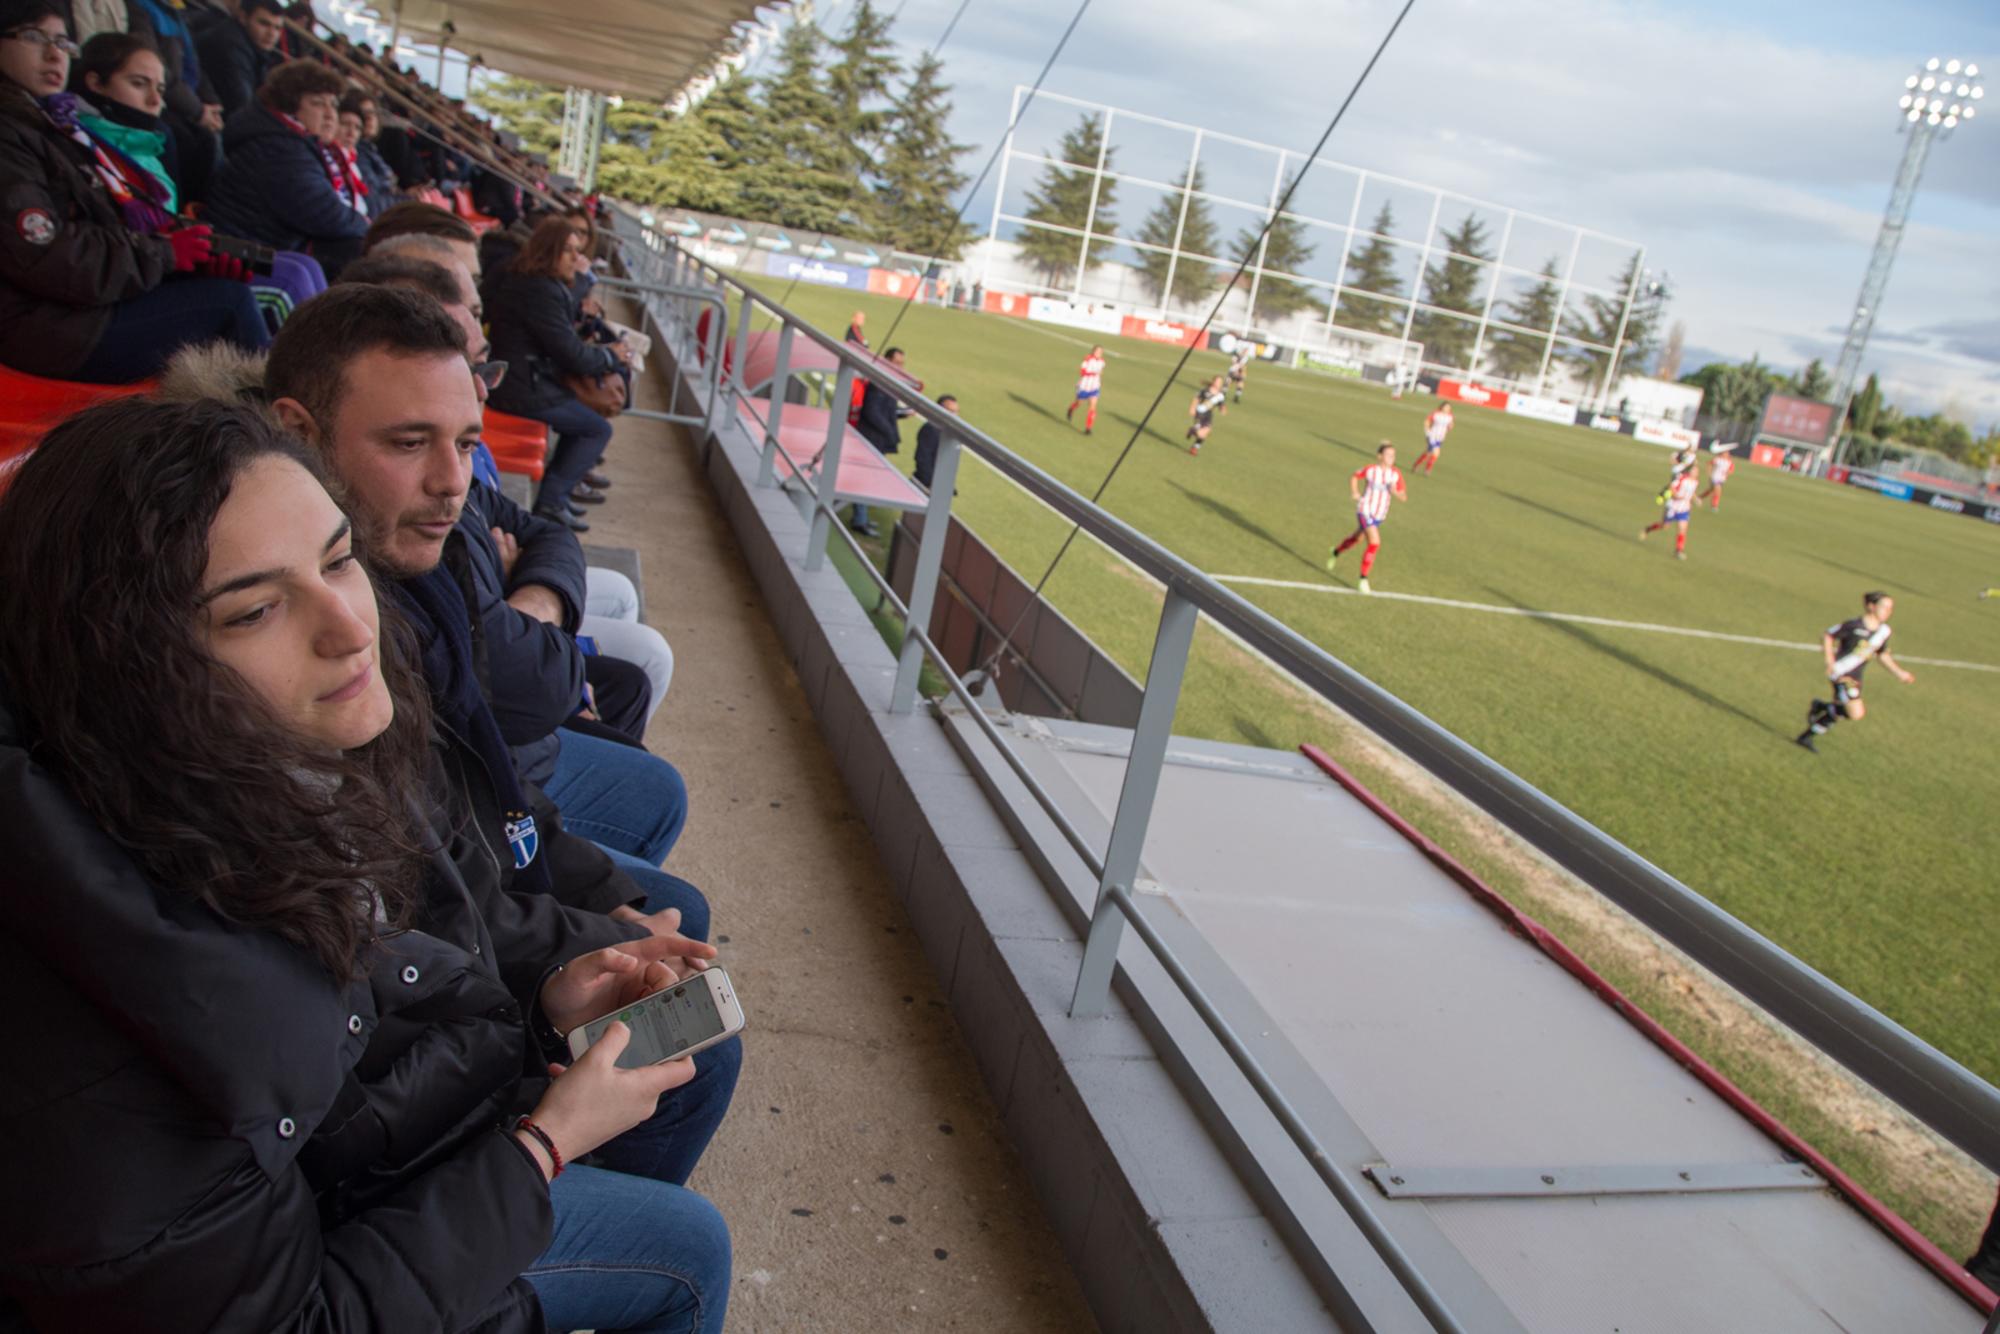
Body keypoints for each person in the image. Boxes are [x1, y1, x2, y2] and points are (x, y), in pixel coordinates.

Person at [0, 395, 731, 1333]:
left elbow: (372, 1017)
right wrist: (542, 1150)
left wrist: (548, 1019)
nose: (351, 625)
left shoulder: (263, 775)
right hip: (350, 1258)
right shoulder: (91, 1035)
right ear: (126, 668)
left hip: (377, 1191)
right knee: (690, 1251)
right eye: (257, 609)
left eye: (340, 561)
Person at [0, 0, 267, 382]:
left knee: (226, 285)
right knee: (231, 304)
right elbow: (48, 256)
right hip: (45, 325)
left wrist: (179, 251)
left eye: (62, 42)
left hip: (76, 305)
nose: (53, 53)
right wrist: (165, 254)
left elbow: (101, 221)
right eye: (32, 37)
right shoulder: (12, 133)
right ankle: (277, 434)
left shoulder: (51, 123)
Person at [68, 28, 328, 324]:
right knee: (287, 283)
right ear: (95, 83)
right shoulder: (82, 144)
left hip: (160, 262)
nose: (156, 101)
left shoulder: (150, 142)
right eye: (139, 84)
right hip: (137, 283)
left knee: (303, 264)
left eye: (161, 89)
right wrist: (173, 255)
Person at [484, 214, 629, 531]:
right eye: (570, 252)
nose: (578, 259)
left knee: (584, 423)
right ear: (550, 251)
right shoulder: (539, 289)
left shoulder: (535, 283)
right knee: (595, 429)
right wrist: (610, 355)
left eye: (579, 250)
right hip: (520, 387)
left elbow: (561, 338)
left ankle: (557, 498)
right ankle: (550, 503)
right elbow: (571, 354)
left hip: (524, 379)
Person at [204, 58, 370, 278]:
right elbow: (321, 212)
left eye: (334, 104)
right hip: (248, 253)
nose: (331, 114)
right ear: (289, 106)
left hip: (276, 244)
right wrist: (369, 226)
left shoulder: (289, 139)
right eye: (318, 104)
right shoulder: (277, 146)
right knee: (363, 254)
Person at [1795, 591, 1914, 753]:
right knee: (1855, 713)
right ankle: (1809, 731)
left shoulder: (1883, 632)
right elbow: (1828, 635)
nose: (1888, 611)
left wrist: (1900, 673)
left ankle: (1816, 715)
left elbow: (1883, 655)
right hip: (1842, 674)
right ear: (1871, 607)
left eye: (1890, 608)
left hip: (1857, 678)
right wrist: (1829, 660)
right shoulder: (1854, 626)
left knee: (1843, 711)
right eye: (1884, 607)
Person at [1326, 441, 1406, 594]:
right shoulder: (1371, 470)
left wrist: (1394, 492)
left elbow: (1403, 497)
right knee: (1374, 542)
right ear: (1380, 456)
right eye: (1388, 454)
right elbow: (1355, 476)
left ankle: (1335, 552)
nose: (1391, 457)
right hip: (1365, 510)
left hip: (1379, 515)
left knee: (1358, 539)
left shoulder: (1395, 475)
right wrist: (1355, 492)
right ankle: (1363, 579)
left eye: (1393, 455)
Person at [850, 344, 907, 536]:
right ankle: (859, 519)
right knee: (865, 479)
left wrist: (900, 415)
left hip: (876, 437)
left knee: (868, 479)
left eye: (902, 364)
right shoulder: (880, 382)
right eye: (896, 363)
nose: (900, 367)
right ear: (886, 360)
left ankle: (861, 517)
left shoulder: (885, 381)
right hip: (872, 438)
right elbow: (872, 411)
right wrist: (890, 431)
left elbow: (883, 411)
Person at [191, 0, 282, 117]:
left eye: (277, 28)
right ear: (243, 17)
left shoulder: (252, 48)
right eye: (264, 24)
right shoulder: (231, 46)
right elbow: (241, 106)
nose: (272, 34)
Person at [1639, 466, 1700, 559]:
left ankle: (1679, 550)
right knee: (1664, 526)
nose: (1696, 472)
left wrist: (1696, 499)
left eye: (1697, 471)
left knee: (1682, 529)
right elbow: (1671, 486)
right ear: (1689, 471)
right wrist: (1676, 495)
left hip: (1684, 509)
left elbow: (1692, 492)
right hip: (1673, 507)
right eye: (1694, 470)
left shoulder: (1695, 482)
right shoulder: (1682, 478)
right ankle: (1648, 529)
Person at [915, 392, 958, 489]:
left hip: (940, 485)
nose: (954, 415)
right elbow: (922, 458)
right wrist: (931, 483)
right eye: (950, 411)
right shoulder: (930, 429)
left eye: (956, 412)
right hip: (928, 485)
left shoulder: (947, 431)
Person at [1065, 345, 1104, 435]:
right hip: (1084, 386)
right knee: (1078, 403)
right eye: (1097, 351)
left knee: (1093, 406)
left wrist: (1099, 379)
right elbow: (1082, 372)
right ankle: (1071, 409)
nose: (1098, 353)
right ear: (1093, 351)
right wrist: (1093, 373)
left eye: (1100, 352)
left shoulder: (1102, 362)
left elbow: (1100, 372)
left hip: (1094, 387)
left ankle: (1088, 428)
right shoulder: (1088, 359)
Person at [1185, 374, 1226, 454]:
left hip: (1209, 415)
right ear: (1213, 382)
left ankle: (1194, 448)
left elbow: (1221, 405)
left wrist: (1222, 409)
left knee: (1206, 432)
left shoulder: (1220, 395)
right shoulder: (1205, 390)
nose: (1218, 383)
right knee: (1200, 433)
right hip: (1200, 413)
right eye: (1217, 381)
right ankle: (1193, 431)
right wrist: (1192, 408)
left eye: (1220, 382)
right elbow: (1196, 399)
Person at [1414, 400, 1453, 475]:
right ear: (1442, 407)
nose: (1447, 409)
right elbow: (1427, 422)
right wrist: (1427, 433)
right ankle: (1427, 469)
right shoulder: (1436, 414)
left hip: (1440, 438)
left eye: (1449, 408)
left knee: (1428, 452)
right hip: (1432, 436)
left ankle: (1417, 465)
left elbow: (1450, 425)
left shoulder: (1450, 416)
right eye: (1446, 407)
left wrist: (1450, 427)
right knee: (1436, 453)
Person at [1700, 443, 1736, 510]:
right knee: (1718, 491)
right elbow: (1709, 464)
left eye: (1727, 453)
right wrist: (1709, 472)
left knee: (1711, 490)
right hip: (1715, 477)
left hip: (1722, 479)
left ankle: (1700, 498)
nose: (1727, 454)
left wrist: (1727, 473)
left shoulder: (1729, 462)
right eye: (1725, 453)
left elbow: (1731, 470)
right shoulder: (1717, 459)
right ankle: (1714, 506)